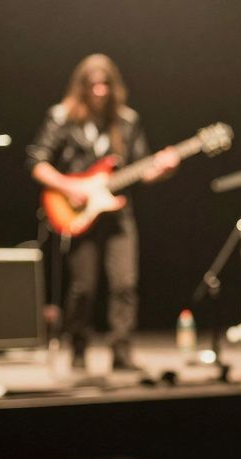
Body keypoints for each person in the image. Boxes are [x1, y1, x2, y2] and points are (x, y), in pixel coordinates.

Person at [27, 53, 179, 371]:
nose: (99, 90)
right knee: (83, 287)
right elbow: (37, 162)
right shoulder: (62, 117)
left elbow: (144, 168)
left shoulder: (126, 121)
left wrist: (164, 168)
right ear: (82, 86)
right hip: (77, 210)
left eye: (105, 84)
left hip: (117, 213)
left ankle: (121, 353)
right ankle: (78, 347)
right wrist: (70, 187)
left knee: (125, 283)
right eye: (93, 84)